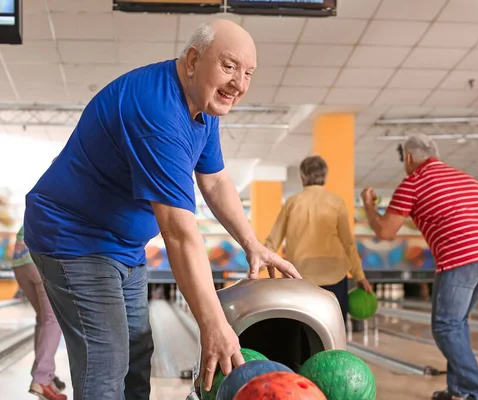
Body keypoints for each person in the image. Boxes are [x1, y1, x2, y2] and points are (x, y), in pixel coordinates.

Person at [23, 19, 301, 400]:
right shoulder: (158, 113)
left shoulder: (202, 108)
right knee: (107, 361)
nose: (240, 83)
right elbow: (179, 233)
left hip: (124, 245)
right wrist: (213, 325)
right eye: (230, 66)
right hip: (74, 240)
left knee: (137, 358)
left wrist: (251, 242)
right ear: (192, 61)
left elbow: (215, 181)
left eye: (248, 72)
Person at [360, 134, 478, 400]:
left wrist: (369, 206)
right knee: (457, 323)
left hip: (461, 258)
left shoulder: (413, 183)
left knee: (446, 326)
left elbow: (385, 231)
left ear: (408, 158)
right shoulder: (468, 179)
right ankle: (458, 390)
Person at [265, 155, 373, 327]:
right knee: (334, 330)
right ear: (325, 176)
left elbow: (273, 240)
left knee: (301, 330)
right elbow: (348, 244)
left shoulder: (292, 203)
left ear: (302, 177)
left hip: (300, 277)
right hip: (335, 276)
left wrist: (257, 264)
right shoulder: (336, 202)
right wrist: (360, 276)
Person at [11, 225, 66, 400]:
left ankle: (44, 375)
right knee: (53, 319)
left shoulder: (39, 199)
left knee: (43, 319)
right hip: (39, 261)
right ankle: (42, 378)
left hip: (20, 262)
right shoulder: (64, 200)